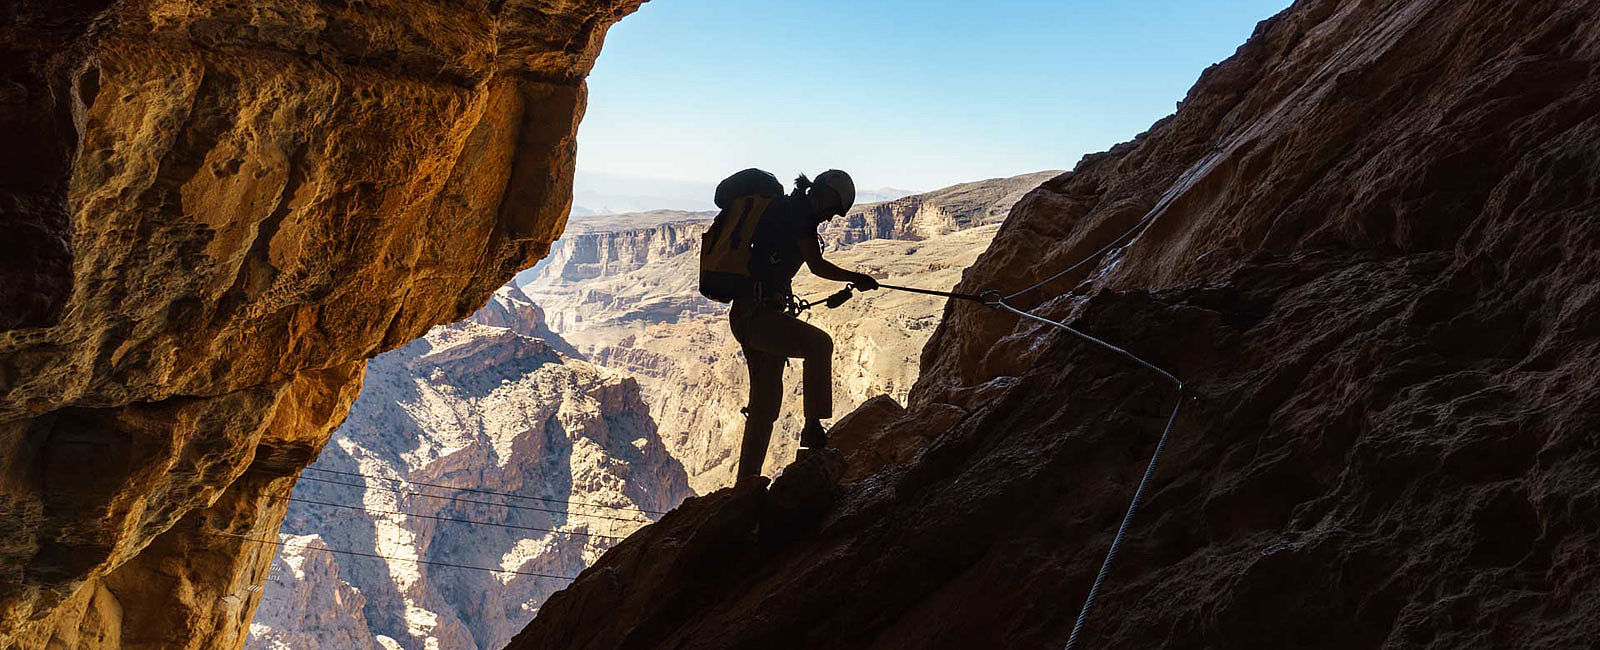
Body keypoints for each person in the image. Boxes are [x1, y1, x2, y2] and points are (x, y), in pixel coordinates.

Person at [731, 169, 877, 487]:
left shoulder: (790, 209)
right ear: (822, 192)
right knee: (819, 345)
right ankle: (813, 426)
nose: (828, 216)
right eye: (831, 208)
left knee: (766, 405)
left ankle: (746, 483)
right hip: (757, 316)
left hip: (752, 314)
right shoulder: (799, 214)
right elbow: (817, 265)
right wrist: (857, 277)